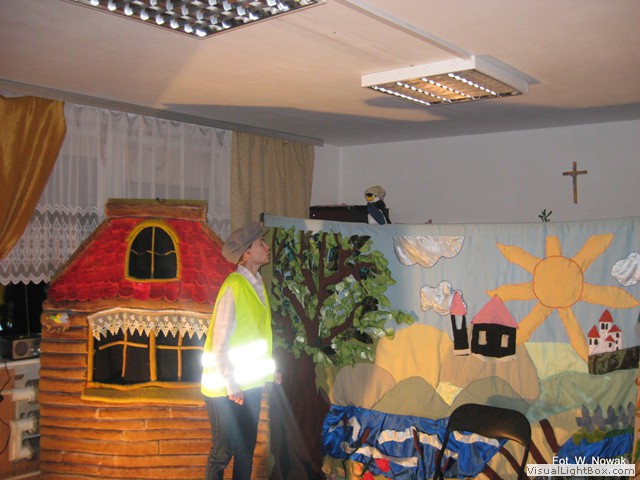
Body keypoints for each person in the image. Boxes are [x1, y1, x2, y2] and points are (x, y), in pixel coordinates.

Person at [201, 221, 277, 480]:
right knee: (222, 453)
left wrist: (270, 373)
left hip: (250, 385)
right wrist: (231, 384)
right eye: (261, 243)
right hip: (224, 387)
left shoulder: (258, 284)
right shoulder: (234, 286)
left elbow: (256, 337)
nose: (267, 247)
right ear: (246, 252)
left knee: (245, 451)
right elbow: (219, 342)